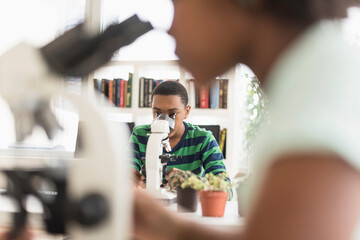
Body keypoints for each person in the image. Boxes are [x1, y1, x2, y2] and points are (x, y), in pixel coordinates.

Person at [133, 0, 360, 240]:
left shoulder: (323, 77)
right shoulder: (307, 75)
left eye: (176, 3)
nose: (171, 29)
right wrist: (167, 226)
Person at [130, 80, 232, 198]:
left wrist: (191, 182)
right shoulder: (139, 135)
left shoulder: (204, 139)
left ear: (186, 112)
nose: (164, 120)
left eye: (172, 114)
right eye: (157, 113)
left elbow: (227, 191)